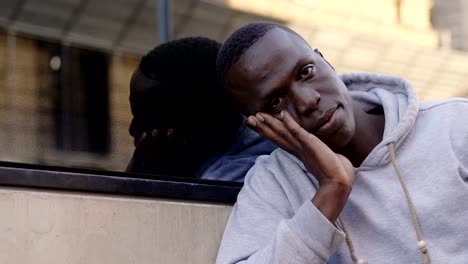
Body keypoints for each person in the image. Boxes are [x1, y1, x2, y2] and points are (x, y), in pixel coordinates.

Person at [215, 22, 468, 263]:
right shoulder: (274, 182)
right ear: (260, 126)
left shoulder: (454, 124)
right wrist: (331, 191)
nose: (307, 101)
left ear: (326, 61)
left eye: (306, 72)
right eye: (276, 102)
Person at [127, 36, 276, 181]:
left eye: (146, 121)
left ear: (194, 127)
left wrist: (141, 173)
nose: (132, 130)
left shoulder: (233, 177)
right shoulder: (242, 127)